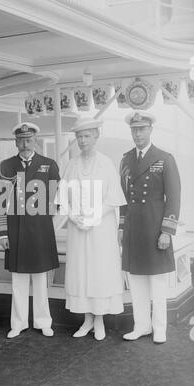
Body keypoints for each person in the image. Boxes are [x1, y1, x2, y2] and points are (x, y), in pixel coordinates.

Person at [58, 116, 126, 340]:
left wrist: (93, 216)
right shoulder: (72, 164)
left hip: (100, 229)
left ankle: (99, 321)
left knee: (99, 271)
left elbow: (113, 198)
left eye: (87, 136)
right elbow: (63, 198)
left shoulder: (106, 163)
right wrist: (74, 217)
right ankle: (87, 319)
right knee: (82, 271)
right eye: (79, 136)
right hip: (79, 230)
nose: (83, 140)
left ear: (96, 136)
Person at [119, 111, 181, 344]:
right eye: (134, 130)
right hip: (134, 229)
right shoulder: (125, 160)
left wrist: (167, 230)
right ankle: (141, 325)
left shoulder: (164, 158)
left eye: (142, 129)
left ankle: (159, 328)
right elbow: (123, 197)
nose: (137, 134)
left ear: (150, 130)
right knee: (136, 280)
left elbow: (174, 197)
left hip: (155, 228)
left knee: (156, 282)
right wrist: (122, 226)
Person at [0, 122, 60, 339]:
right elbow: (1, 202)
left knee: (41, 280)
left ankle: (43, 322)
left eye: (29, 140)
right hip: (15, 231)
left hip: (40, 231)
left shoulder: (49, 165)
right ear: (16, 142)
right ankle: (19, 323)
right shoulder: (6, 166)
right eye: (21, 140)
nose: (25, 144)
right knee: (18, 281)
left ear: (35, 141)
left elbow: (54, 201)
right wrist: (3, 232)